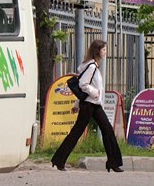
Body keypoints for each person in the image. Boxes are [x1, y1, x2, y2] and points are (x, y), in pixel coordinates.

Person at [51, 40, 124, 172]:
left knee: (107, 130)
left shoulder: (93, 66)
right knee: (78, 132)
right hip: (90, 105)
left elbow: (84, 88)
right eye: (103, 50)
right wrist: (94, 93)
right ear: (97, 51)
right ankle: (59, 160)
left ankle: (113, 162)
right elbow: (83, 85)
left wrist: (77, 103)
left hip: (92, 105)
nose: (105, 52)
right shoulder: (91, 67)